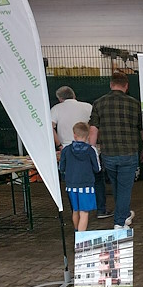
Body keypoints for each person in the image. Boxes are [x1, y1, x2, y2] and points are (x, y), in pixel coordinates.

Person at [89, 72, 142, 230]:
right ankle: (119, 223)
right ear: (126, 86)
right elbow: (141, 129)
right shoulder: (134, 103)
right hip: (129, 152)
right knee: (125, 188)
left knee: (117, 186)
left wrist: (92, 152)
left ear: (111, 84)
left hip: (108, 153)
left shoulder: (99, 103)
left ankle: (124, 214)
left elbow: (93, 129)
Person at [50, 86, 111, 220]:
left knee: (70, 179)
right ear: (74, 95)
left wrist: (59, 144)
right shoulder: (88, 106)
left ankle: (75, 210)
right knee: (97, 179)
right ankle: (100, 209)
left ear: (60, 98)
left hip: (67, 148)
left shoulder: (56, 109)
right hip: (89, 147)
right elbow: (95, 125)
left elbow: (50, 127)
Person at [59, 122, 101, 232]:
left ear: (74, 135)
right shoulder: (91, 150)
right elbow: (97, 168)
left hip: (71, 185)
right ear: (87, 136)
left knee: (75, 211)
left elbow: (61, 168)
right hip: (86, 185)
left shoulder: (66, 150)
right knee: (84, 212)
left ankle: (76, 231)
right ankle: (80, 239)